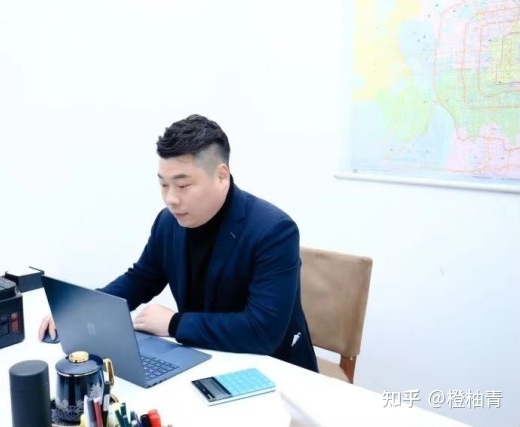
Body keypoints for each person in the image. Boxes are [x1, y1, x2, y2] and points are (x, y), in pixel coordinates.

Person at [38, 114, 318, 372]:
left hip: (273, 370)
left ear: (221, 176)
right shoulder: (168, 222)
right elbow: (141, 279)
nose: (171, 198)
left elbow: (262, 332)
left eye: (183, 185)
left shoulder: (274, 231)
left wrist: (174, 324)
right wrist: (82, 311)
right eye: (163, 184)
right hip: (204, 358)